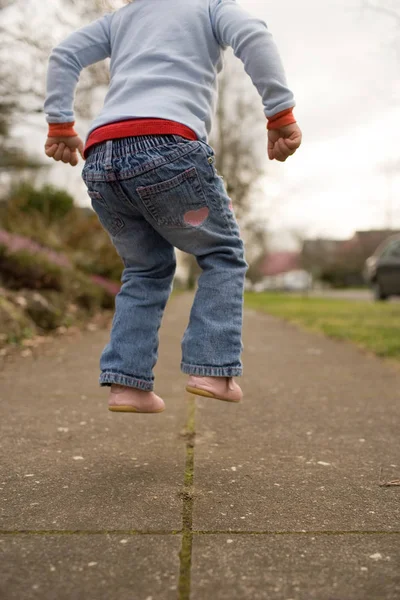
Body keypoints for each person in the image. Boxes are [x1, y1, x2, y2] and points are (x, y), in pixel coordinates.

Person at [44, 0, 302, 414]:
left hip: (101, 157)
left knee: (145, 269)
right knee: (222, 254)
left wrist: (60, 123)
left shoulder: (122, 18)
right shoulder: (210, 7)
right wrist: (279, 113)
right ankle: (212, 369)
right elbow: (254, 35)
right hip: (167, 145)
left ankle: (126, 384)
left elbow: (64, 54)